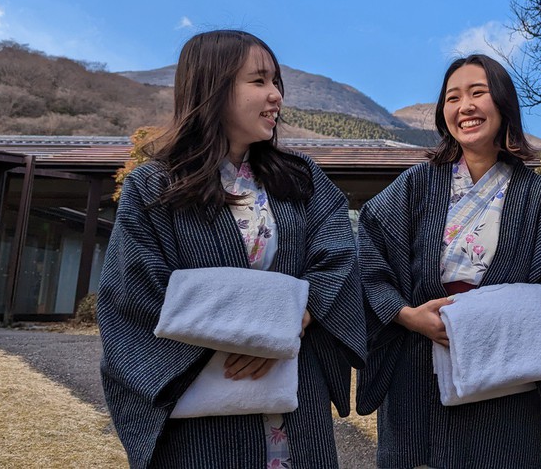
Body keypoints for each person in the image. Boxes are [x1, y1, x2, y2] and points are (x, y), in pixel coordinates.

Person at [98, 30, 366, 468]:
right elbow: (133, 297)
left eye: (276, 82)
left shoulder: (300, 178)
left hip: (292, 391)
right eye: (259, 82)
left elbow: (339, 252)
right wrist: (243, 334)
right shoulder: (154, 186)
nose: (276, 95)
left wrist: (291, 319)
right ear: (213, 87)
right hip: (204, 401)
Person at [356, 53, 541, 469]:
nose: (464, 106)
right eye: (452, 97)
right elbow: (368, 249)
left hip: (503, 380)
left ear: (503, 104)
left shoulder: (538, 197)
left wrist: (490, 323)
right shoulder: (417, 184)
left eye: (477, 93)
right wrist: (405, 314)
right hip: (418, 366)